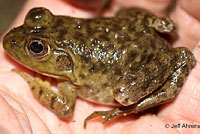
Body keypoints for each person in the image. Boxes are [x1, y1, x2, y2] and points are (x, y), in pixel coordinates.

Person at [0, 0, 200, 133]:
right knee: (124, 12)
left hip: (142, 56)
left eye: (36, 48)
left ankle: (135, 102)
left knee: (124, 93)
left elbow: (65, 108)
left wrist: (35, 86)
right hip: (131, 32)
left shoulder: (67, 84)